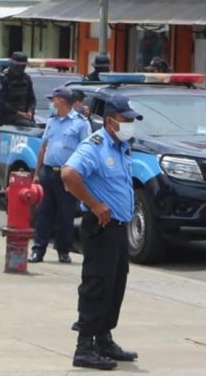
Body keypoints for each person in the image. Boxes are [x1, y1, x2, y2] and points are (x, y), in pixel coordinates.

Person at [62, 94, 142, 370]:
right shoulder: (95, 146)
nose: (130, 124)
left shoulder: (121, 148)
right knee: (96, 285)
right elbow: (69, 174)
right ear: (110, 121)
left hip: (118, 228)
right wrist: (95, 204)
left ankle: (104, 339)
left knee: (115, 284)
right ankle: (84, 346)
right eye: (126, 119)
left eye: (132, 119)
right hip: (101, 228)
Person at [29, 87, 92, 264]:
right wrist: (37, 173)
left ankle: (63, 250)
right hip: (49, 172)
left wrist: (80, 175)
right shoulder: (52, 122)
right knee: (44, 213)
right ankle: (38, 249)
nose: (51, 103)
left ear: (62, 101)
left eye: (54, 100)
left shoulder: (80, 123)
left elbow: (85, 151)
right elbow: (43, 148)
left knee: (66, 215)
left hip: (67, 175)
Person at [0, 51, 36, 127]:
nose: (20, 68)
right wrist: (19, 113)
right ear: (12, 64)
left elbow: (32, 99)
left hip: (25, 117)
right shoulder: (3, 79)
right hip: (7, 118)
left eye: (23, 66)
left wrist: (30, 111)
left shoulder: (27, 79)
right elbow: (0, 102)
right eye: (18, 66)